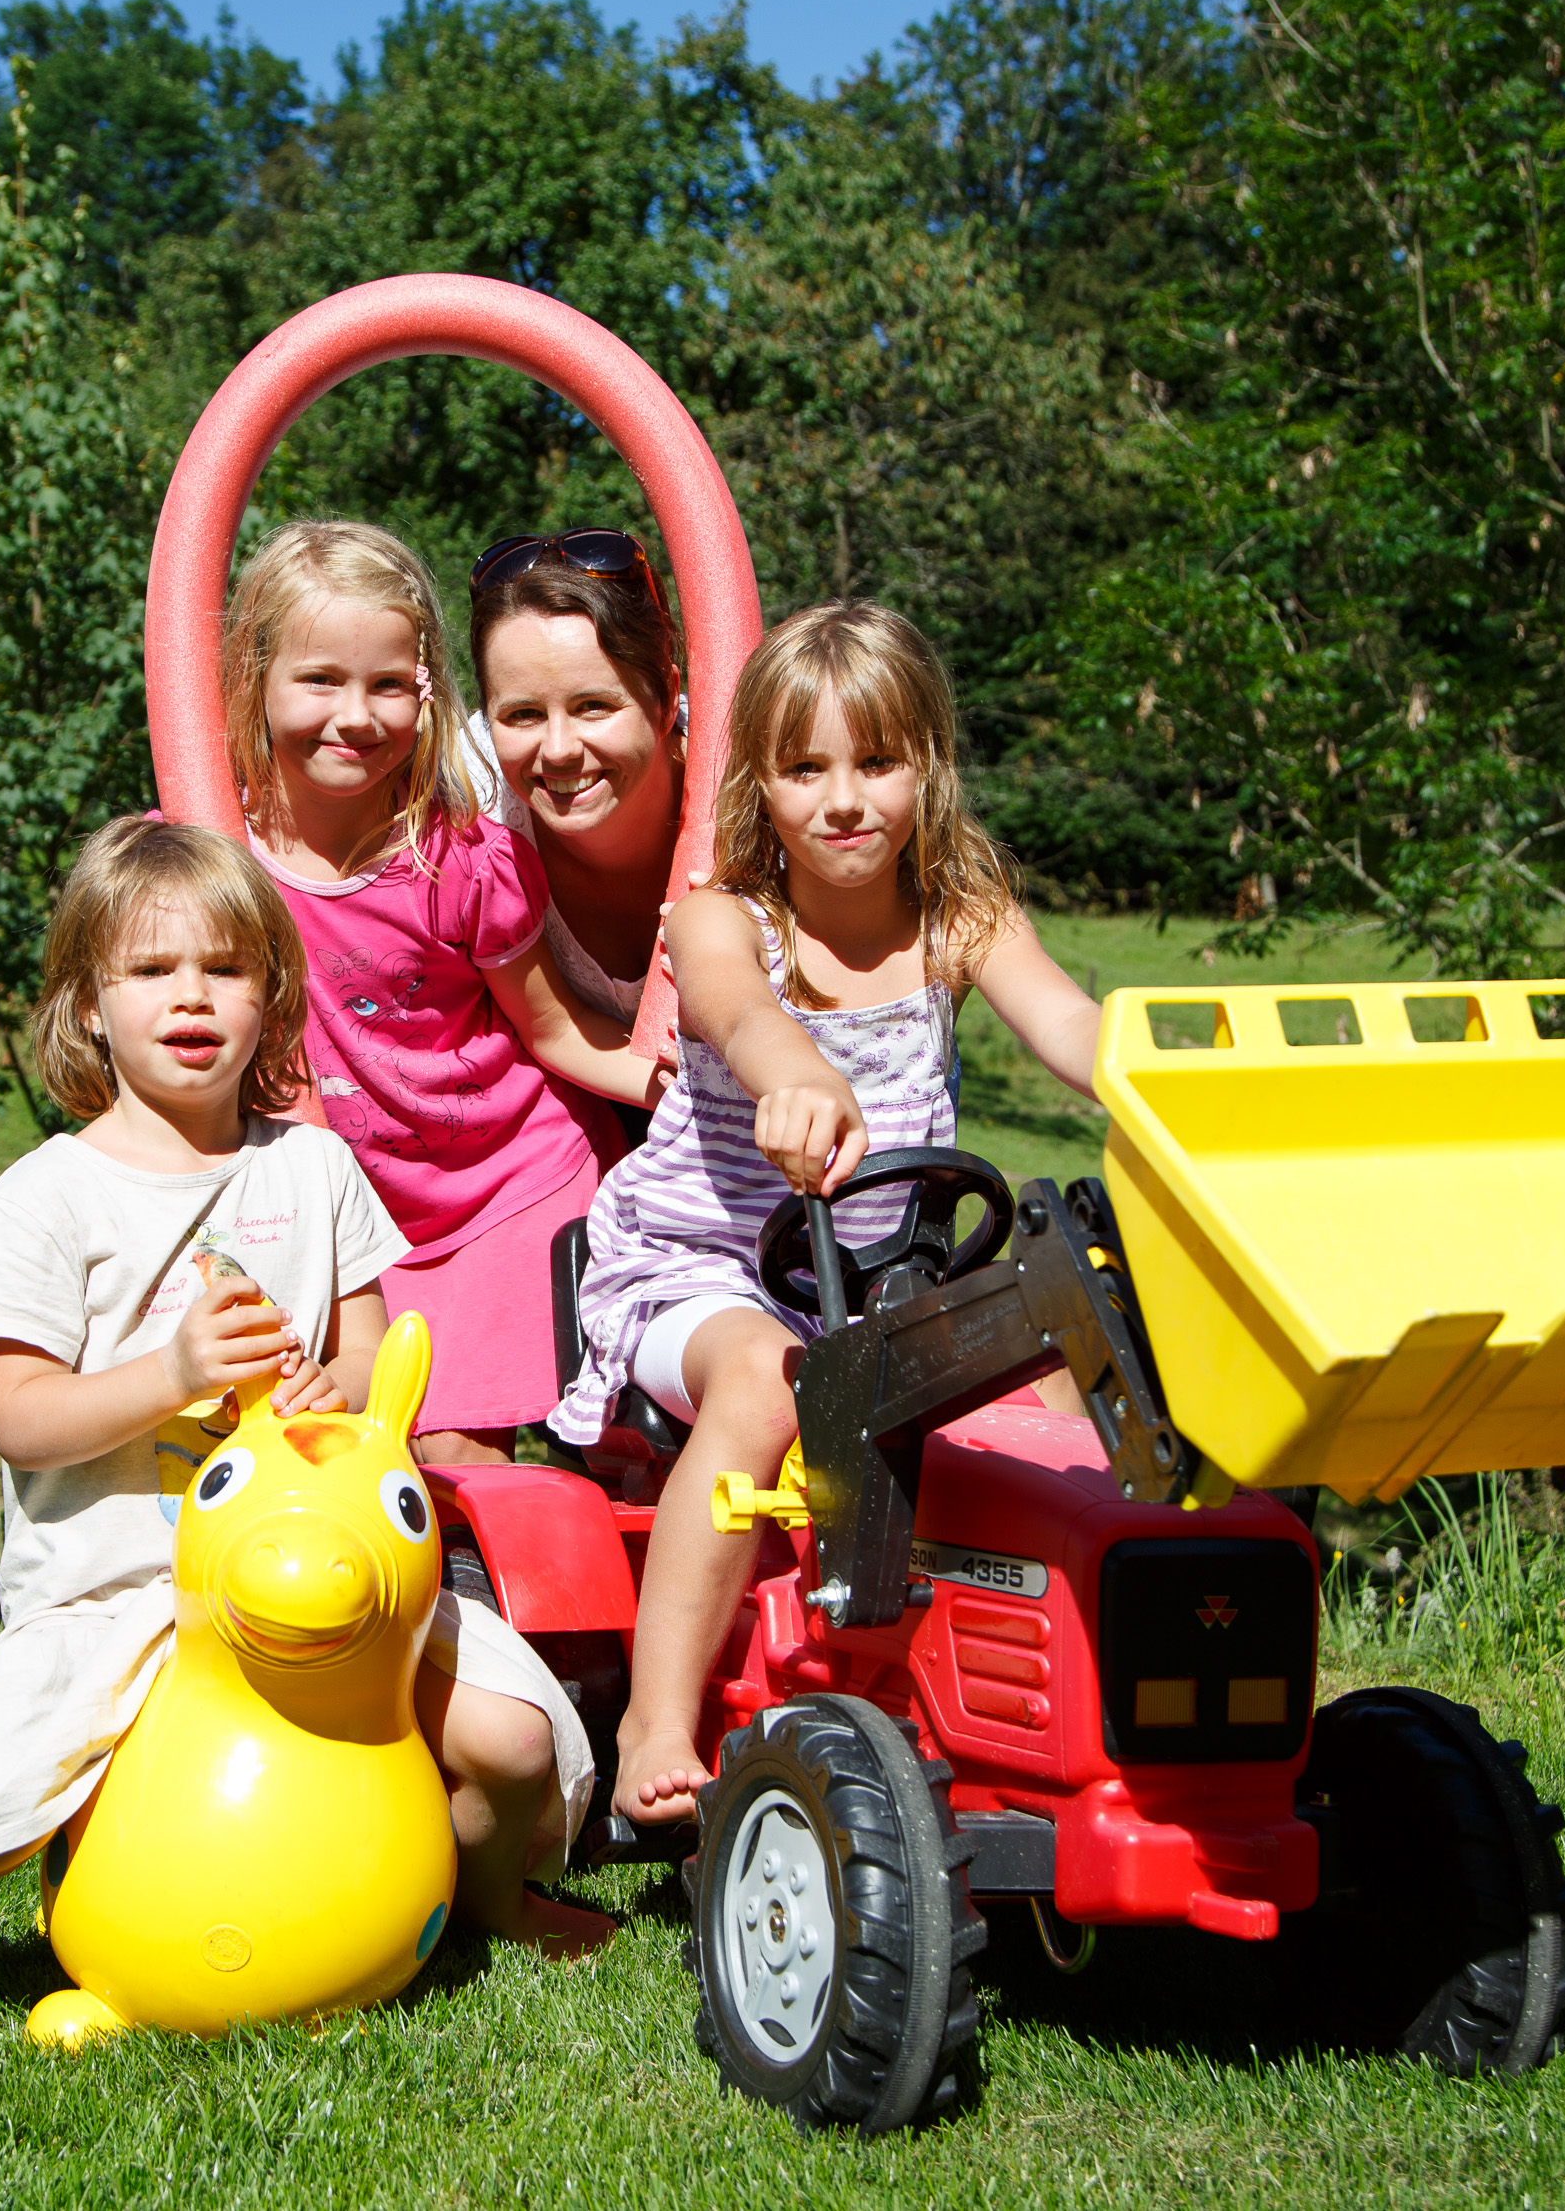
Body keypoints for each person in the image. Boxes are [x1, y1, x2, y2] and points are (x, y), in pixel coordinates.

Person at [0, 819, 607, 1998]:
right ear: (89, 1005)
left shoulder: (312, 1168)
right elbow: (19, 1417)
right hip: (124, 1583)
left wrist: (332, 1392)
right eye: (150, 968)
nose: (190, 996)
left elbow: (368, 1350)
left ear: (272, 998)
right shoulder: (50, 1196)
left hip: (327, 1578)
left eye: (225, 968)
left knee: (513, 1734)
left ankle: (490, 1899)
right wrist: (173, 1372)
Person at [549, 602, 1105, 1827]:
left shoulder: (961, 917)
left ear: (927, 765)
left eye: (877, 762)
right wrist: (792, 1073)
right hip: (700, 1269)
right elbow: (737, 1009)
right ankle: (655, 1714)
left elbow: (1069, 1023)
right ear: (760, 779)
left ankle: (1073, 1666)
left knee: (1056, 1350)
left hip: (885, 1284)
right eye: (805, 768)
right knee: (767, 1381)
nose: (843, 800)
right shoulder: (724, 919)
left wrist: (1160, 1073)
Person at [223, 520, 661, 1463]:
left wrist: (679, 1088)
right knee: (372, 1458)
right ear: (254, 679)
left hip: (510, 1188)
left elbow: (552, 1028)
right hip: (362, 1221)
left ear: (425, 692)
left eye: (388, 684)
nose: (355, 716)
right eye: (319, 680)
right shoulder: (213, 865)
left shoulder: (456, 855)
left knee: (487, 1453)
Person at [464, 528, 687, 1031]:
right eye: (522, 714)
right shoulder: (468, 790)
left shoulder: (762, 784)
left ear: (667, 699)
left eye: (594, 706)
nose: (559, 750)